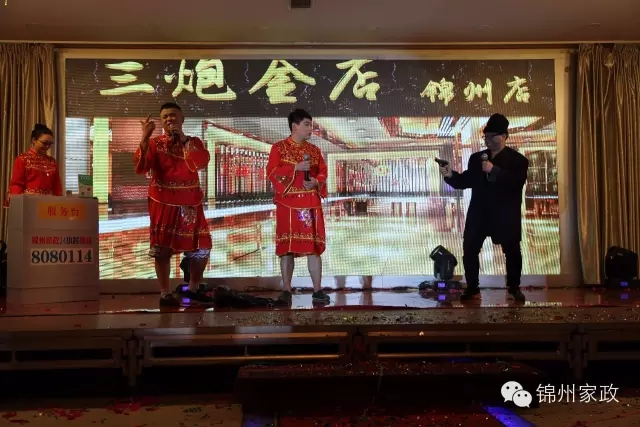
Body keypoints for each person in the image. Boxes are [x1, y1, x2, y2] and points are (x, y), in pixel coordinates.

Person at [439, 113, 528, 302]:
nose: (487, 140)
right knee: (470, 250)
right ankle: (472, 288)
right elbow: (465, 181)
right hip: (479, 214)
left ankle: (513, 288)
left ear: (504, 136)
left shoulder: (518, 160)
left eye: (492, 136)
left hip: (505, 216)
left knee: (512, 252)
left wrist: (493, 170)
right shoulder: (476, 158)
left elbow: (516, 182)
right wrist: (449, 175)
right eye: (485, 136)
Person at [134, 102, 213, 307]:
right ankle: (165, 293)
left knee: (202, 247)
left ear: (182, 118)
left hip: (190, 204)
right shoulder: (155, 143)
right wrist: (144, 138)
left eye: (173, 115)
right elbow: (141, 167)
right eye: (165, 116)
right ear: (161, 122)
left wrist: (184, 141)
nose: (169, 119)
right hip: (163, 202)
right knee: (162, 249)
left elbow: (200, 163)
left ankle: (193, 289)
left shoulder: (194, 142)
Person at [267, 109, 330, 305]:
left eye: (311, 125)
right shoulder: (278, 148)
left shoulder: (314, 150)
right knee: (286, 248)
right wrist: (295, 167)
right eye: (307, 124)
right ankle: (286, 289)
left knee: (313, 249)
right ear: (295, 126)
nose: (311, 128)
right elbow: (272, 172)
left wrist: (316, 182)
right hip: (287, 204)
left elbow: (323, 171)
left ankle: (317, 290)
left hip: (310, 203)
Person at [4, 124, 62, 207]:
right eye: (45, 143)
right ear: (34, 140)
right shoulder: (22, 159)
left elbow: (56, 186)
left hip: (47, 204)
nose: (47, 146)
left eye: (50, 144)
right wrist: (18, 203)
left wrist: (59, 203)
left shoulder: (52, 161)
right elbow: (16, 185)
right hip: (28, 203)